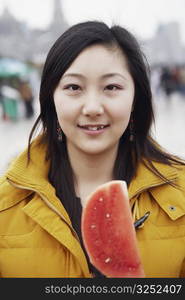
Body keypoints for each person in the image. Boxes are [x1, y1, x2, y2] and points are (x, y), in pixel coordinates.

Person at [0, 21, 185, 278]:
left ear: (136, 98)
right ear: (51, 99)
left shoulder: (181, 193)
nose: (92, 107)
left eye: (111, 87)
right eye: (74, 87)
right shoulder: (5, 205)